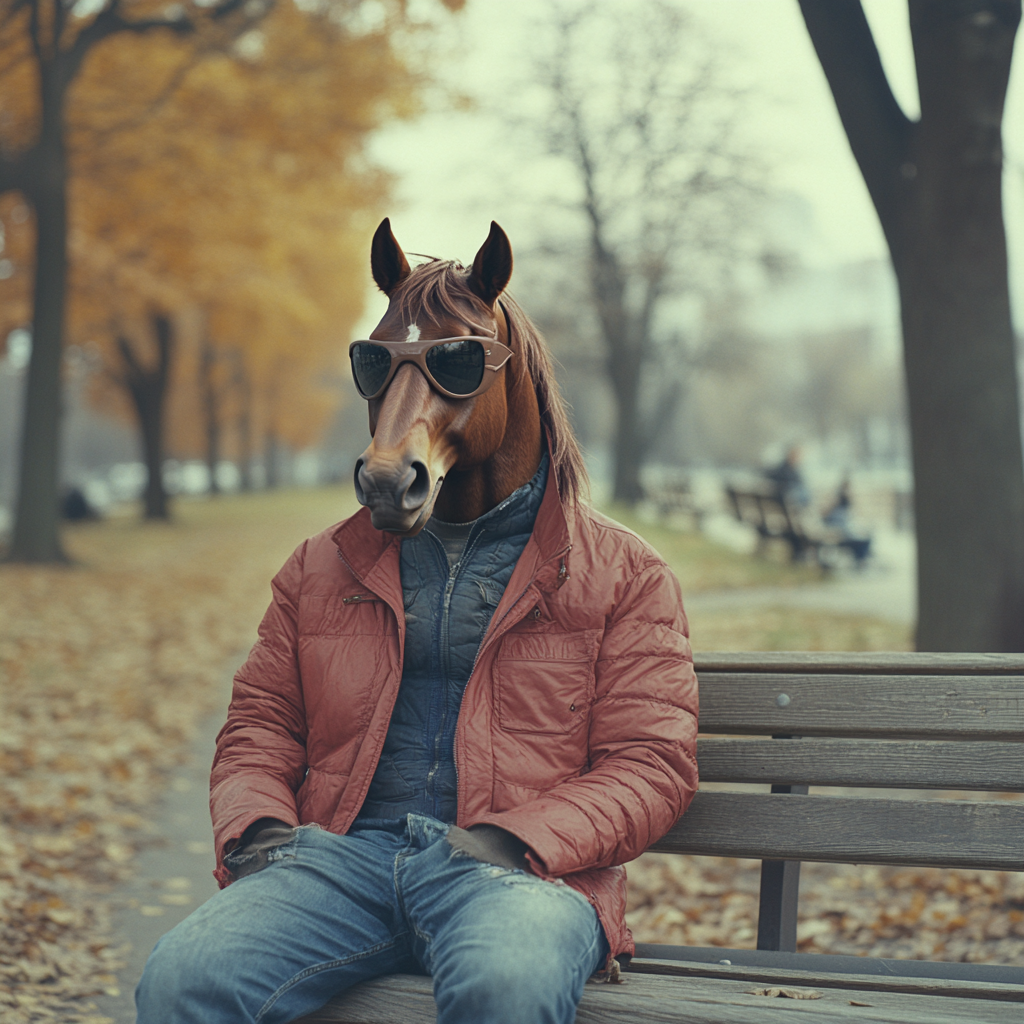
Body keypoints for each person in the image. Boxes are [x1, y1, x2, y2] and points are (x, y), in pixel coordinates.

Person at [135, 223, 698, 1024]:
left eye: (456, 365)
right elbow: (260, 725)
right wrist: (260, 829)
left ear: (507, 378)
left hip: (518, 873)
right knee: (181, 979)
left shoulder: (624, 575)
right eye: (380, 368)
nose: (404, 411)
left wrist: (513, 841)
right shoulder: (318, 568)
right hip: (339, 863)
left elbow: (650, 764)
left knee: (507, 987)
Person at [823, 477, 872, 566]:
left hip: (844, 529)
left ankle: (862, 559)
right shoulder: (837, 511)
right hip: (842, 533)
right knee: (864, 539)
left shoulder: (838, 510)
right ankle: (861, 560)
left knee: (865, 537)